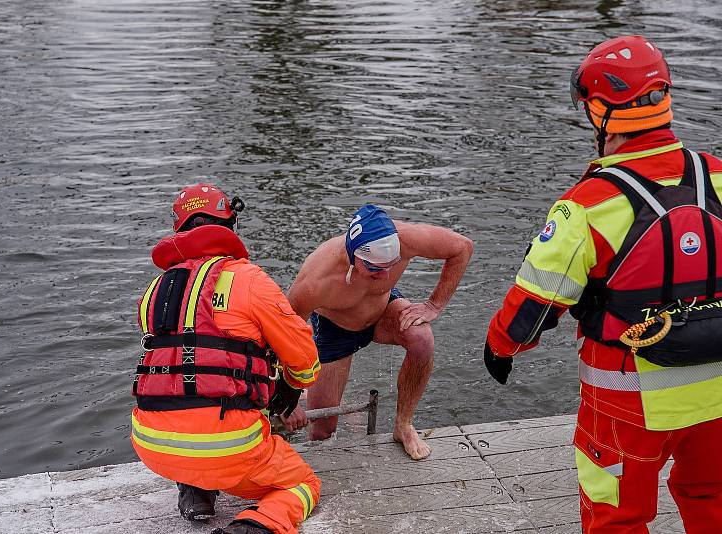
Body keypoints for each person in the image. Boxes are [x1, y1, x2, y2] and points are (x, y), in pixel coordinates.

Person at [485, 35, 722, 533]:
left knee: (617, 517)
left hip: (627, 396)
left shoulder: (585, 206)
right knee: (712, 499)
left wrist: (499, 347)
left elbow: (533, 310)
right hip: (720, 391)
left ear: (599, 112)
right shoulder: (718, 176)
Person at [129, 183, 322, 534]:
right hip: (229, 448)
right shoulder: (249, 280)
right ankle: (251, 527)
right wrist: (290, 391)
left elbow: (178, 368)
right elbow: (304, 357)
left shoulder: (155, 291)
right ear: (229, 225)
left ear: (181, 229)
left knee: (191, 406)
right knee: (303, 485)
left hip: (151, 444)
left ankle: (195, 490)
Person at [284, 204, 473, 460]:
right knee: (323, 430)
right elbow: (284, 336)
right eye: (374, 269)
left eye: (390, 265)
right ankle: (311, 397)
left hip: (383, 312)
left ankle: (403, 425)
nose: (385, 275)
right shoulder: (316, 280)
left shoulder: (406, 238)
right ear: (354, 255)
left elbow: (462, 247)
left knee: (422, 339)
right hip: (336, 330)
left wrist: (434, 304)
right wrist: (286, 397)